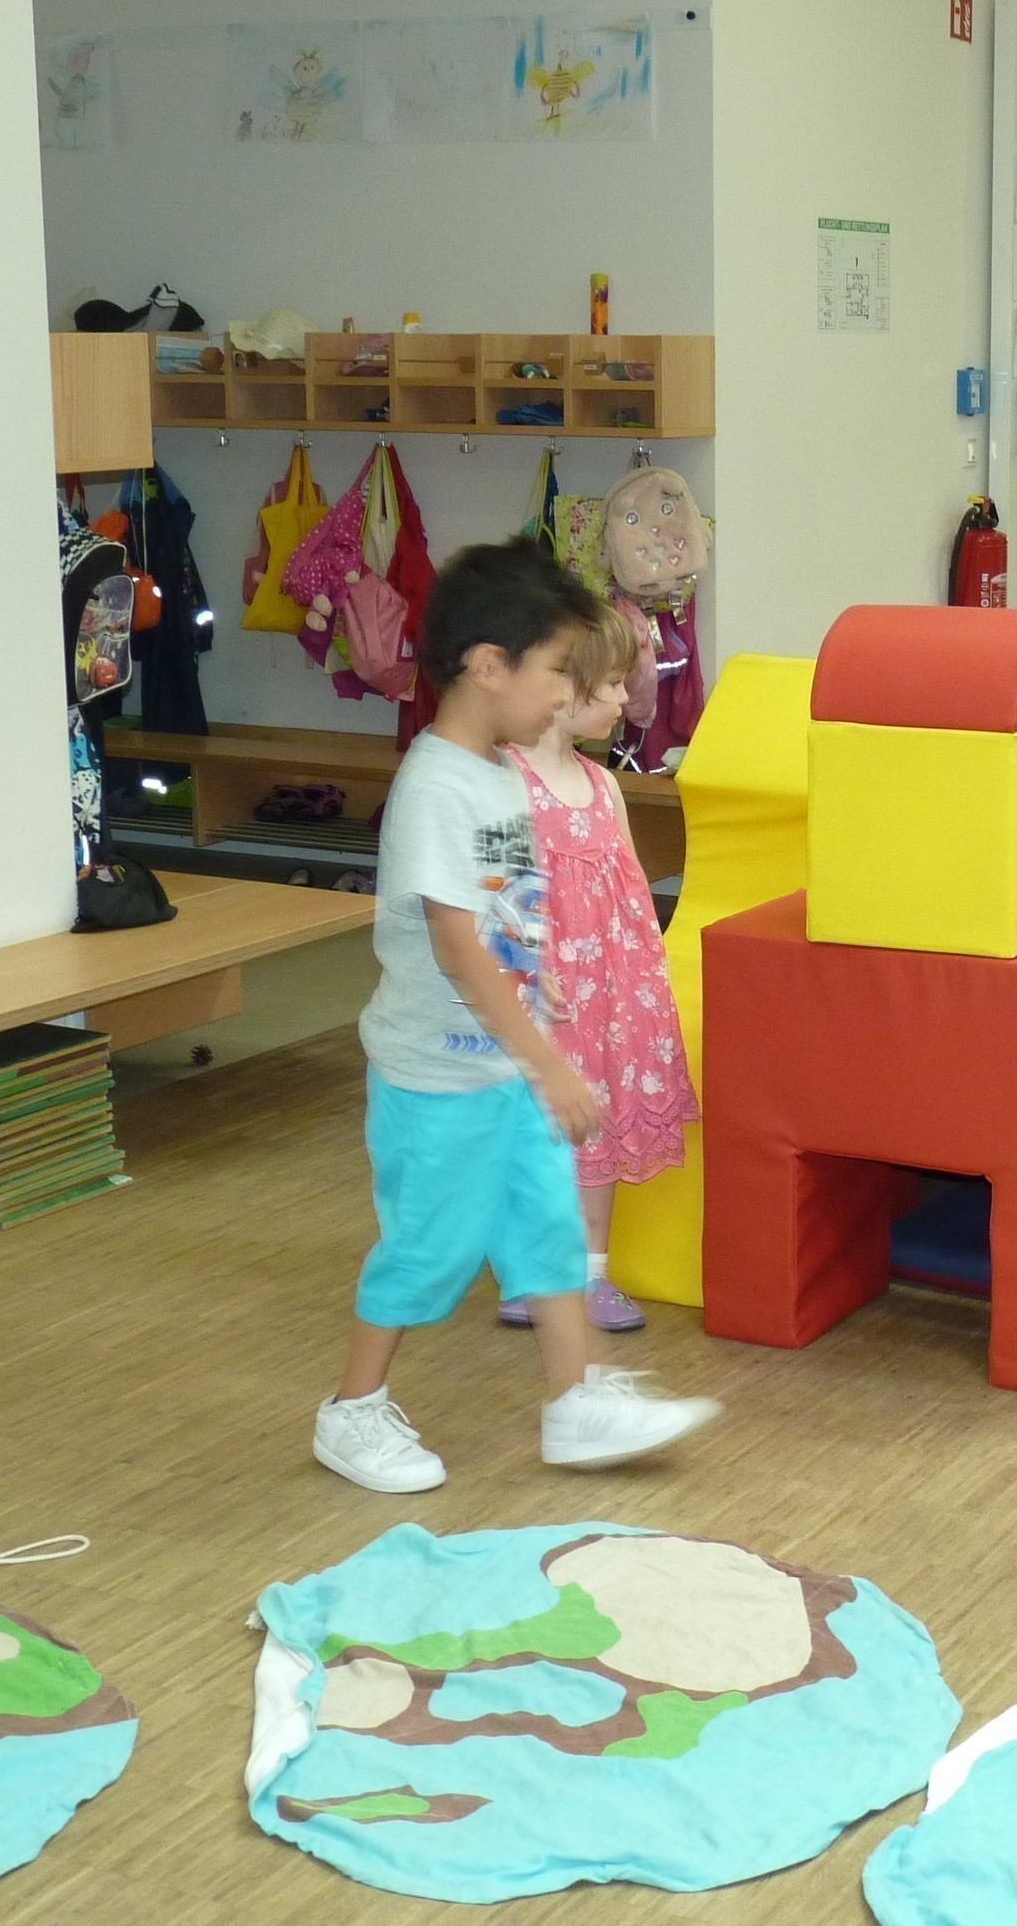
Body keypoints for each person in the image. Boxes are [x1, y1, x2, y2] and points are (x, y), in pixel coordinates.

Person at [313, 536, 719, 1495]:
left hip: (501, 1063)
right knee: (430, 1251)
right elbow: (457, 946)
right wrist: (549, 1059)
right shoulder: (435, 786)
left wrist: (542, 990)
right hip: (438, 1077)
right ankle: (352, 1412)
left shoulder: (499, 776)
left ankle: (577, 1401)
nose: (564, 696)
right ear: (489, 667)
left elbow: (502, 921)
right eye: (556, 673)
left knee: (547, 1231)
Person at [494, 597, 700, 1335]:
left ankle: (591, 1274)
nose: (623, 699)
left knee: (598, 1131)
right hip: (546, 996)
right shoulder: (506, 780)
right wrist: (520, 969)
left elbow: (632, 893)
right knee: (537, 1132)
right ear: (562, 687)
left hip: (611, 996)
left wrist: (646, 978)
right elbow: (493, 890)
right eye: (611, 684)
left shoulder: (604, 785)